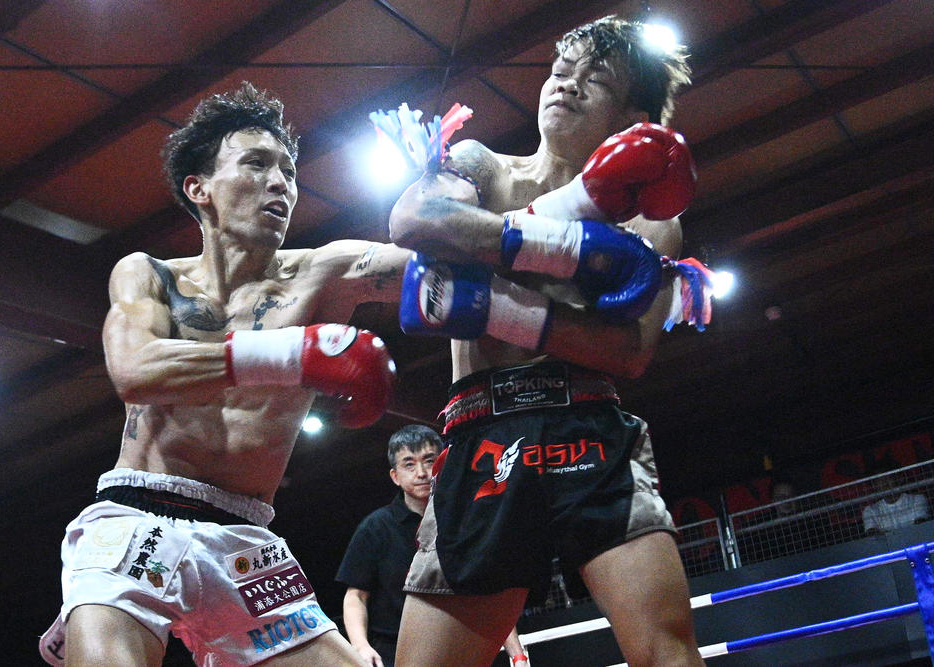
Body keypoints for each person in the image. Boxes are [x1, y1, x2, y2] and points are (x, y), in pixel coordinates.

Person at [39, 82, 414, 667]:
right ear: (200, 189)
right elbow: (135, 370)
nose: (280, 183)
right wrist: (298, 353)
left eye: (288, 171)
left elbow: (445, 268)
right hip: (135, 518)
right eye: (257, 164)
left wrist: (443, 200)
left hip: (245, 542)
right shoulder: (149, 274)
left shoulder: (326, 272)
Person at [386, 15, 705, 667]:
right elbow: (415, 218)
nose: (568, 84)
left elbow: (629, 352)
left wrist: (494, 301)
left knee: (667, 654)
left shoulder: (651, 221)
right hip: (482, 432)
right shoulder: (480, 164)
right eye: (561, 70)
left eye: (596, 79)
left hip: (587, 426)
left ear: (634, 119)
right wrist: (566, 235)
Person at [337, 425, 530, 667]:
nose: (421, 473)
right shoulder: (375, 528)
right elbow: (356, 596)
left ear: (444, 464)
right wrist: (360, 646)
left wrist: (517, 654)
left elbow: (486, 592)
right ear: (395, 476)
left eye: (429, 461)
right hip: (395, 654)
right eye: (409, 464)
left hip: (460, 647)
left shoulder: (466, 521)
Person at [862, 467, 931, 534]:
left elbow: (921, 525)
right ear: (874, 485)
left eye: (888, 478)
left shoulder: (917, 499)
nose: (884, 483)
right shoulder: (870, 510)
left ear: (898, 479)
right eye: (879, 480)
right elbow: (872, 533)